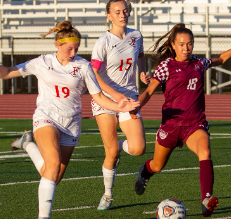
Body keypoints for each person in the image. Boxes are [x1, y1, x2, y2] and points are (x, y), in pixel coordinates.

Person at [0, 20, 139, 219]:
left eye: (76, 48)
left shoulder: (83, 66)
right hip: (46, 118)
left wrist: (118, 106)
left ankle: (28, 145)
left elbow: (97, 97)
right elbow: (6, 72)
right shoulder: (42, 62)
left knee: (52, 174)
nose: (73, 53)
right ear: (58, 45)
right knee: (52, 165)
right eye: (69, 48)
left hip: (70, 126)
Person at [133, 23, 231, 217]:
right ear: (172, 45)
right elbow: (149, 91)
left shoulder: (198, 63)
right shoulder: (166, 66)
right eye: (181, 44)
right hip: (170, 126)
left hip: (194, 125)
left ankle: (206, 198)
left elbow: (220, 59)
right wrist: (137, 105)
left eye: (189, 44)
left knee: (205, 150)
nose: (186, 48)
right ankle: (145, 172)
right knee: (157, 165)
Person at [90, 0, 151, 210]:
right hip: (106, 98)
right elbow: (94, 75)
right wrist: (116, 96)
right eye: (117, 12)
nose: (122, 15)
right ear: (109, 16)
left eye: (125, 11)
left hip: (129, 95)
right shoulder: (103, 42)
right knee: (112, 156)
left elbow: (141, 56)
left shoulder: (137, 35)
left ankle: (112, 145)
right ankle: (107, 194)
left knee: (138, 148)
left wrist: (143, 73)